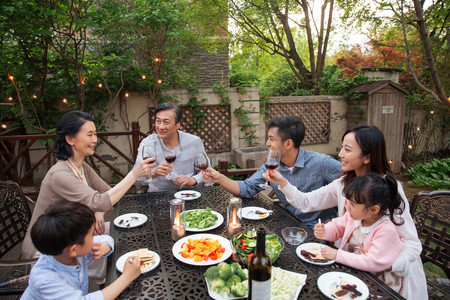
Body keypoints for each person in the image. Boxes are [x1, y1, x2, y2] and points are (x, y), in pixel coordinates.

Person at [264, 125, 427, 299]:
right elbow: (306, 202)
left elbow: (412, 244)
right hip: (353, 269)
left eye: (347, 150)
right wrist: (282, 182)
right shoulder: (345, 183)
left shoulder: (385, 190)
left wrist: (386, 264)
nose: (340, 154)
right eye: (342, 147)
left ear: (367, 157)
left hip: (390, 281)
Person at [22, 110, 154, 260]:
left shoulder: (82, 167)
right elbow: (101, 201)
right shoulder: (60, 175)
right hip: (48, 247)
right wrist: (134, 174)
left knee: (127, 233)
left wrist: (100, 212)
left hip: (72, 234)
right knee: (118, 246)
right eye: (89, 134)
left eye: (95, 134)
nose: (95, 140)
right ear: (70, 139)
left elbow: (107, 194)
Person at [204, 116, 342, 227]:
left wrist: (340, 221)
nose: (267, 144)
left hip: (319, 230)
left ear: (288, 143)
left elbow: (353, 185)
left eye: (271, 139)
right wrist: (219, 177)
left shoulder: (322, 163)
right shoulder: (272, 164)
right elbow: (246, 188)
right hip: (287, 224)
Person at [314, 173, 412, 297]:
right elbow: (338, 226)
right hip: (358, 273)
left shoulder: (385, 231)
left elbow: (371, 262)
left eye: (353, 204)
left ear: (374, 209)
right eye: (348, 201)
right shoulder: (355, 216)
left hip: (380, 284)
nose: (347, 206)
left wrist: (338, 255)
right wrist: (325, 231)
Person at [21, 202, 141, 300]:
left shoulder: (65, 250)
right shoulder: (46, 279)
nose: (94, 237)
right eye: (91, 234)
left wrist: (105, 246)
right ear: (74, 249)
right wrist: (127, 277)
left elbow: (106, 237)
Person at [135, 102, 208, 192]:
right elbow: (136, 176)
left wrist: (193, 180)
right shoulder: (148, 143)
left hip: (188, 194)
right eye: (158, 121)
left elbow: (207, 172)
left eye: (166, 122)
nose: (161, 127)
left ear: (177, 124)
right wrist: (154, 172)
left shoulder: (193, 142)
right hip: (157, 197)